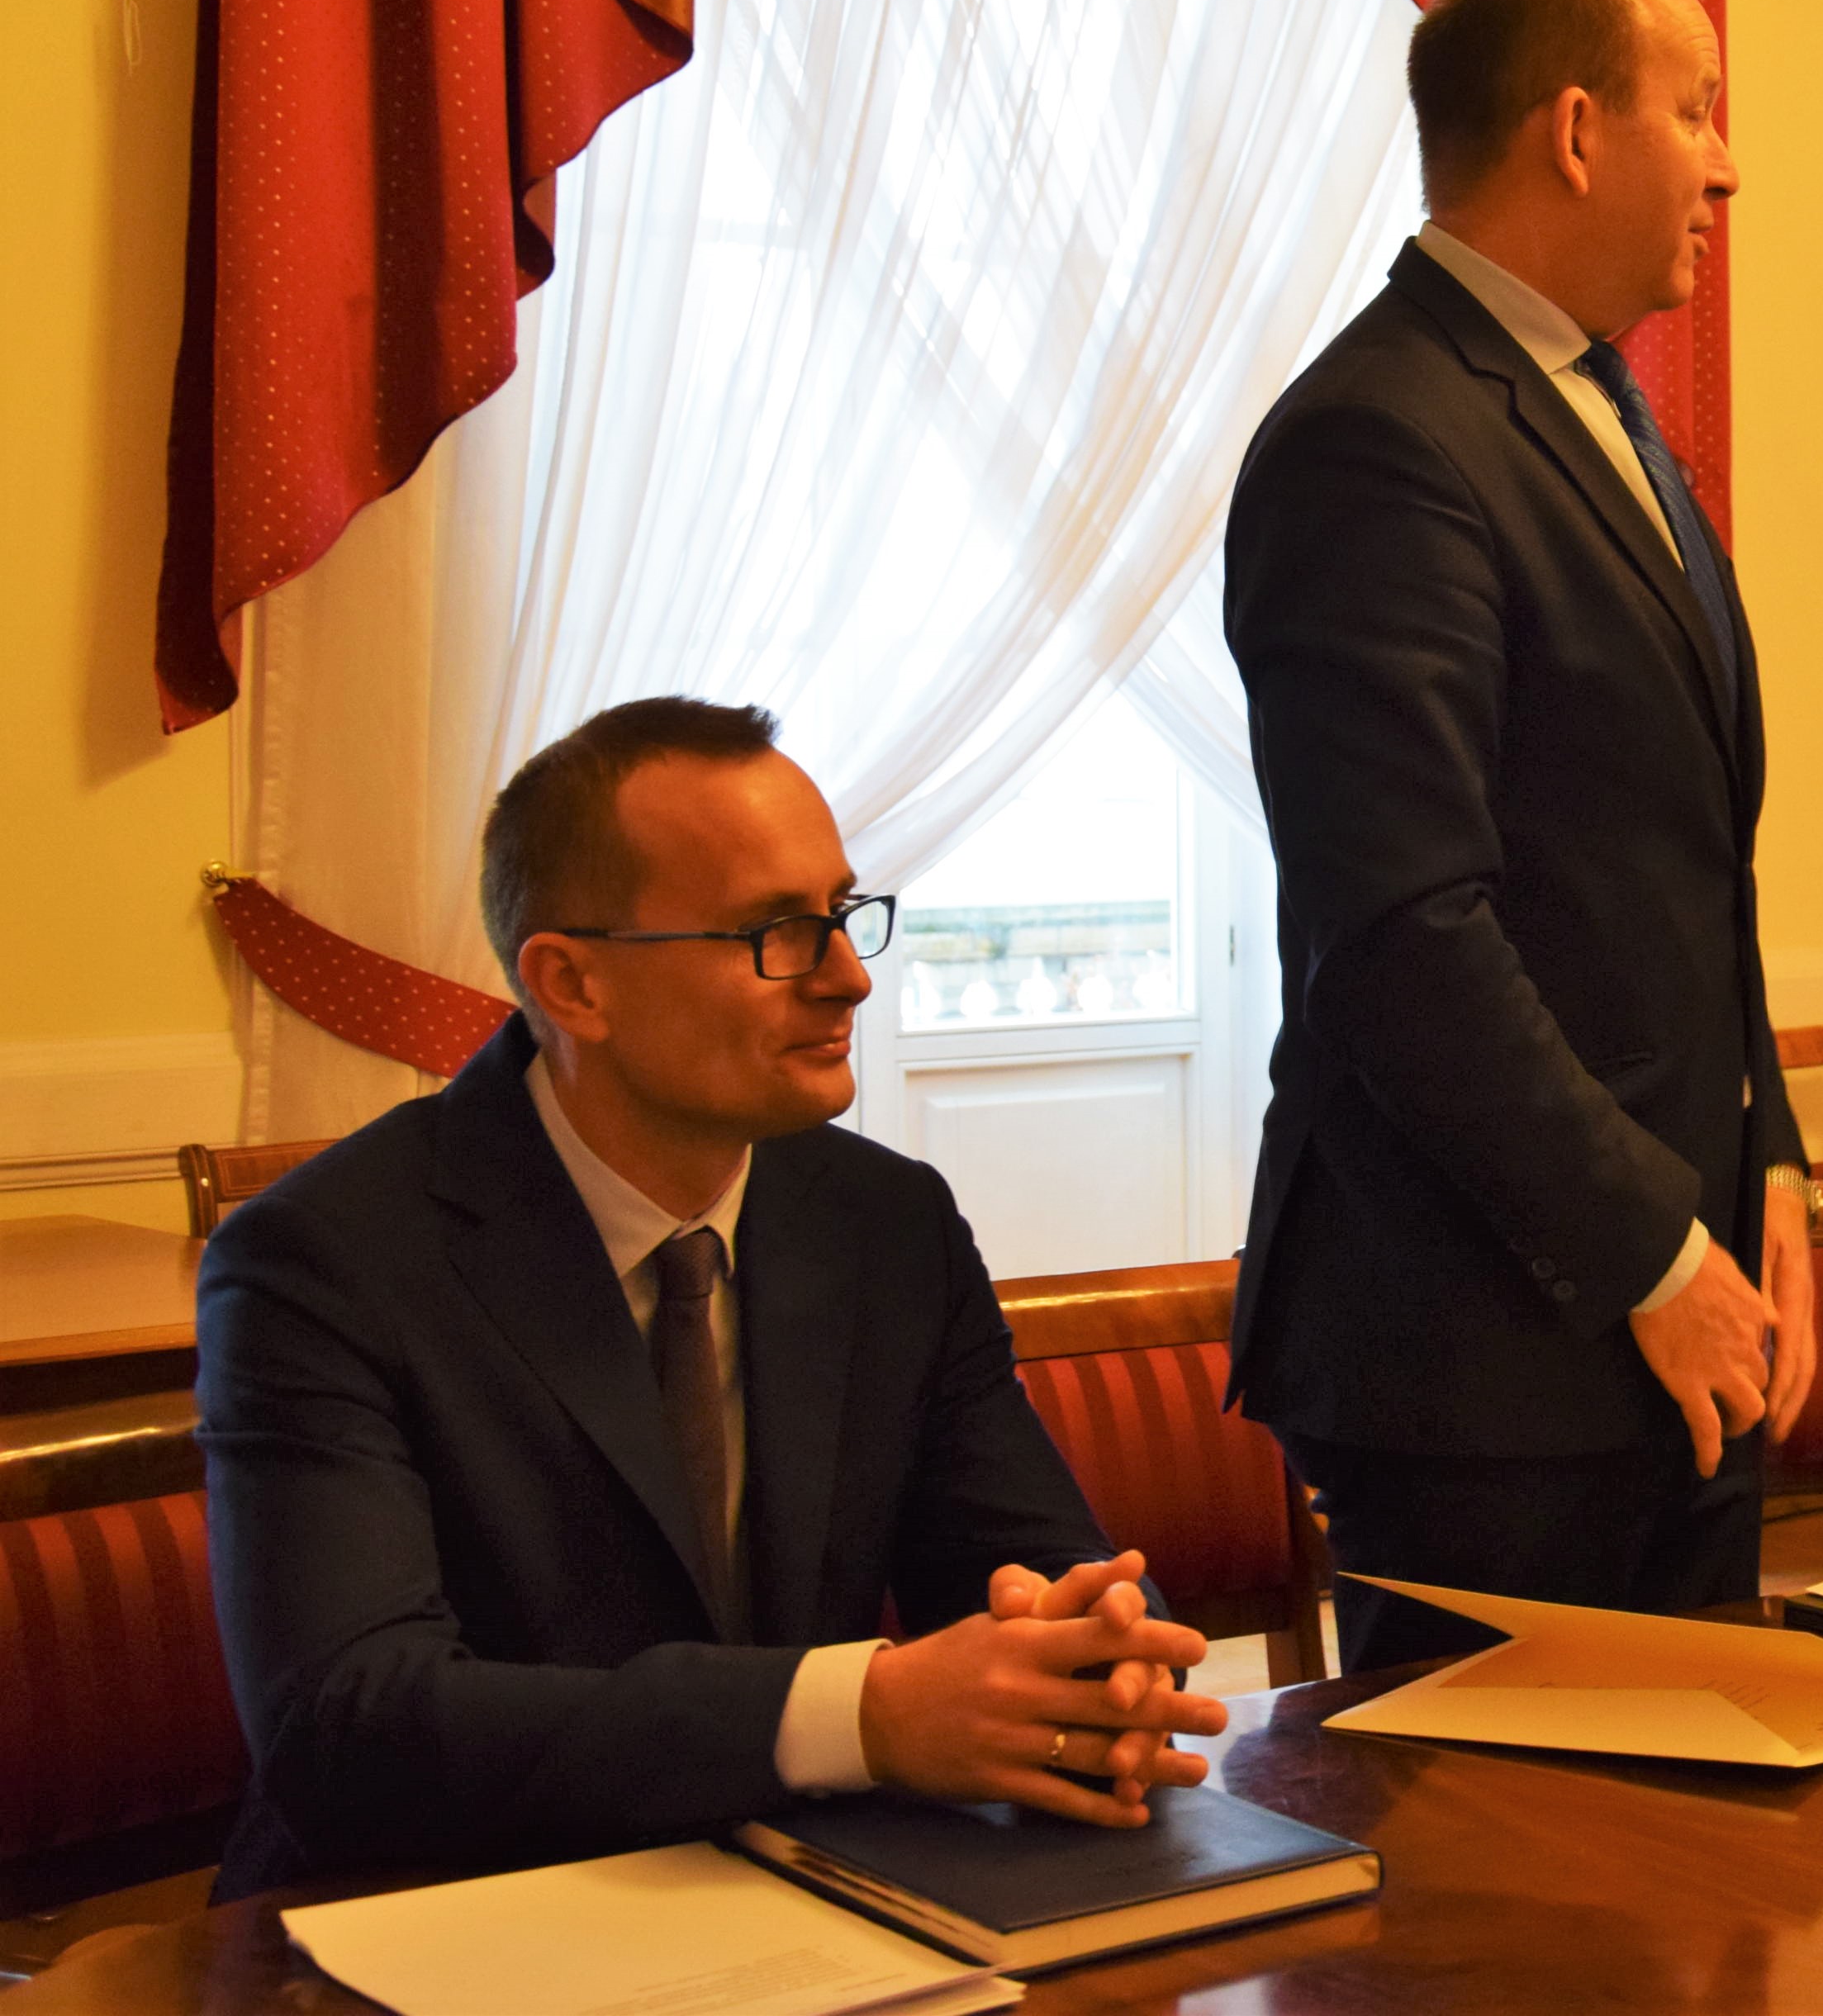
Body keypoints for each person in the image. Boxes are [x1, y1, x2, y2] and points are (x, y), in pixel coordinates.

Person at [197, 700, 1226, 1898]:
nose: (848, 978)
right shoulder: (323, 1260)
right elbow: (348, 1730)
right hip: (431, 1917)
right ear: (573, 983)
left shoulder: (885, 1221)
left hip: (813, 1893)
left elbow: (1028, 1555)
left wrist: (1098, 1653)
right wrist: (859, 1715)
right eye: (775, 932)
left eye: (842, 913)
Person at [1221, 0, 1816, 1672]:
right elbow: (1403, 931)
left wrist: (1766, 1156)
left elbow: (1679, 867)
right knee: (1507, 1851)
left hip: (1673, 1316)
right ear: (1573, 130)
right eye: (1696, 110)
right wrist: (1652, 1254)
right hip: (1483, 1358)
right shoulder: (1379, 437)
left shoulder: (1592, 402)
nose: (1726, 164)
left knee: (1696, 1829)